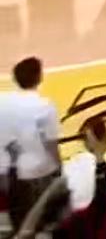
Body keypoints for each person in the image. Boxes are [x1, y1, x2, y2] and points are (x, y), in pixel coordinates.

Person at [1, 56, 61, 228]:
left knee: (18, 221)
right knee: (41, 222)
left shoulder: (3, 102)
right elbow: (51, 144)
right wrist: (59, 168)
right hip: (38, 173)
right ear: (39, 77)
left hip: (9, 173)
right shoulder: (45, 106)